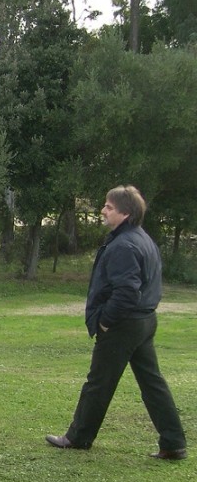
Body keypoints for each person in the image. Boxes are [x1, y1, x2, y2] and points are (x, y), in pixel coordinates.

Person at [45, 185, 187, 459]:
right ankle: (174, 443)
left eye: (109, 207)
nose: (103, 211)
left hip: (124, 324)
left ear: (126, 213)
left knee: (99, 382)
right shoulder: (142, 239)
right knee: (152, 383)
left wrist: (105, 322)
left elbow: (127, 292)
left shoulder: (124, 245)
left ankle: (78, 437)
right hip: (144, 321)